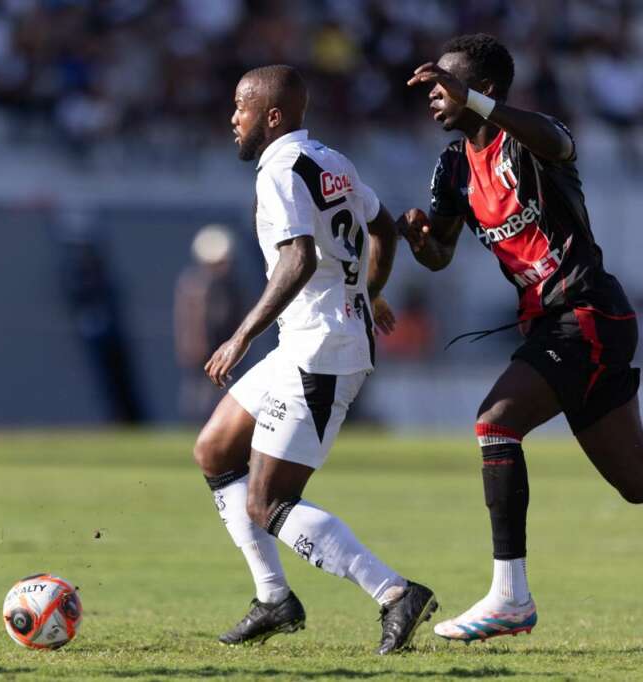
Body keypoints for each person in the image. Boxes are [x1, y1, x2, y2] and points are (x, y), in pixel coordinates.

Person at [397, 33, 643, 643]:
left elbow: (561, 141)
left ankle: (510, 598)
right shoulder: (452, 166)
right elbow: (441, 255)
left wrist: (478, 106)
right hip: (555, 325)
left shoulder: (528, 139)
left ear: (482, 91)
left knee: (495, 422)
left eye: (444, 84)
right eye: (431, 86)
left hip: (585, 314)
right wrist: (419, 241)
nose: (433, 94)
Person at [193, 64, 437, 655]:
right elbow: (382, 226)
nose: (233, 118)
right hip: (306, 341)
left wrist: (241, 334)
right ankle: (273, 598)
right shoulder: (333, 160)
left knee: (269, 502)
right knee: (215, 451)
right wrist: (370, 292)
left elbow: (297, 258)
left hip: (321, 352)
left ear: (271, 116)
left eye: (240, 107)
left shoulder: (277, 170)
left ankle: (395, 592)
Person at [174, 224, 243, 422]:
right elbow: (188, 320)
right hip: (201, 350)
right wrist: (192, 345)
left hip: (224, 347)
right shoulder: (193, 283)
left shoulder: (231, 285)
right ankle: (195, 423)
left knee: (222, 391)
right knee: (198, 391)